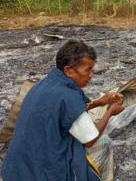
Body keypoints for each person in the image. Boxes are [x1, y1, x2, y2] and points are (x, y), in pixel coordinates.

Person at [2, 40, 124, 181]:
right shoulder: (69, 96)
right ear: (69, 70)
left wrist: (100, 102)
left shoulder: (45, 83)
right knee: (104, 142)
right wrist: (110, 112)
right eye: (88, 69)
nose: (91, 75)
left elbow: (62, 112)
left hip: (16, 169)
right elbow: (89, 139)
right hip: (41, 173)